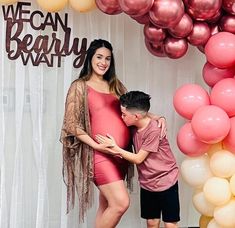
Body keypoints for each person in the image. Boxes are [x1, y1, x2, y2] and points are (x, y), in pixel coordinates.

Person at [60, 39, 166, 228]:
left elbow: (134, 109)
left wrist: (158, 116)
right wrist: (96, 145)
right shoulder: (80, 86)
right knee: (120, 203)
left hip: (120, 154)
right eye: (99, 57)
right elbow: (71, 124)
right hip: (99, 154)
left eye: (108, 58)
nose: (103, 62)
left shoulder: (115, 85)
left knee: (107, 205)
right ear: (90, 58)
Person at [96, 91, 180, 228]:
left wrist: (115, 148)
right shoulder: (133, 124)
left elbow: (138, 158)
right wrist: (160, 116)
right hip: (148, 183)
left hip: (166, 181)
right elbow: (143, 114)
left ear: (136, 116)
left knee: (170, 224)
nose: (121, 117)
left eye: (124, 114)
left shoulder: (154, 130)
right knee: (152, 223)